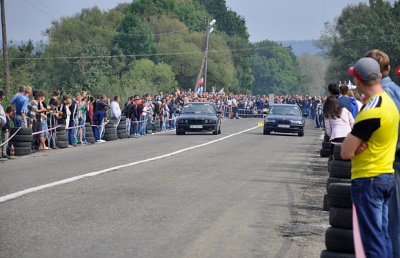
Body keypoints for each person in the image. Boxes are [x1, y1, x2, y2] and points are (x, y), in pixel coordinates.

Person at [341, 57, 399, 257]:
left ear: (357, 81)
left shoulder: (371, 110)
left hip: (368, 178)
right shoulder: (390, 103)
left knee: (371, 243)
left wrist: (354, 142)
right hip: (386, 175)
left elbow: (346, 151)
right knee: (383, 238)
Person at [363, 49, 400, 258]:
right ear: (388, 68)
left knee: (385, 227)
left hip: (385, 162)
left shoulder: (377, 98)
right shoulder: (398, 92)